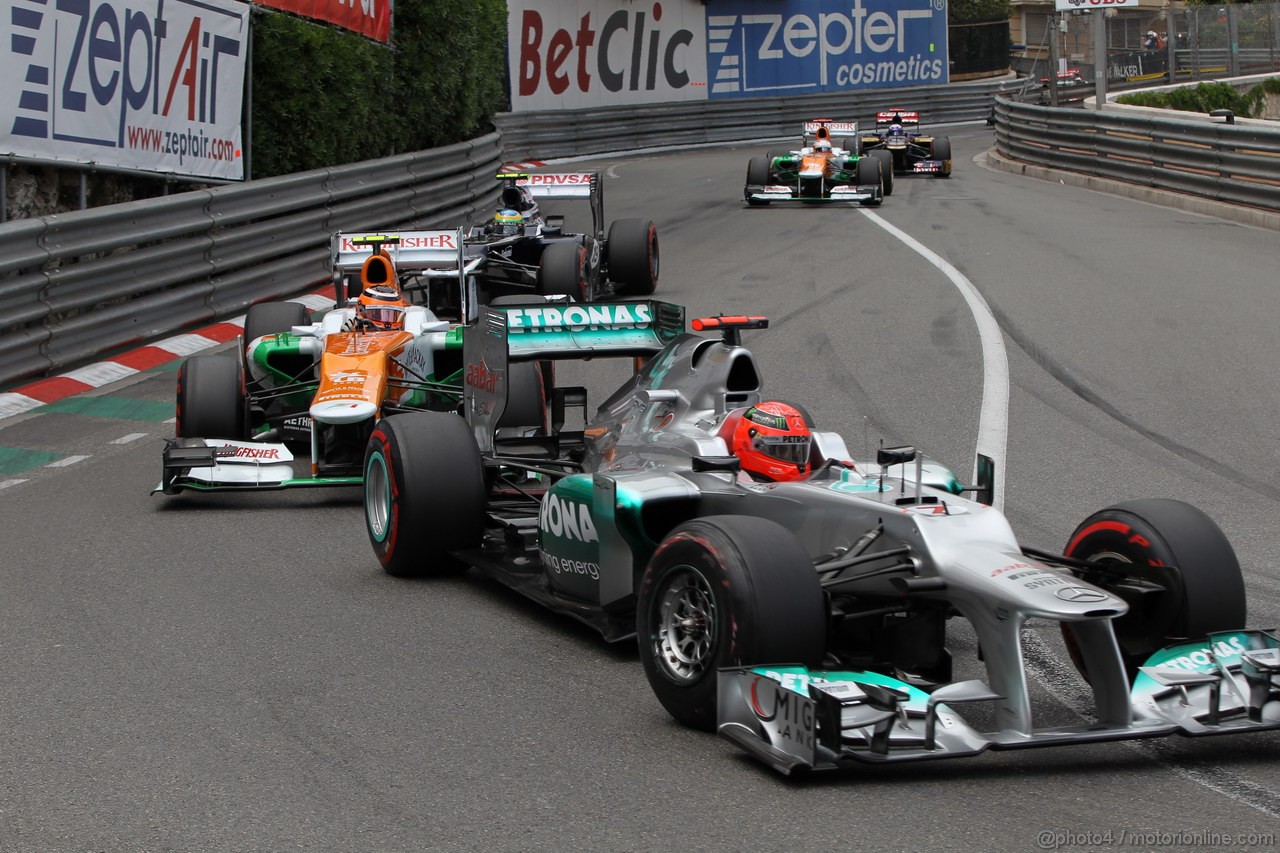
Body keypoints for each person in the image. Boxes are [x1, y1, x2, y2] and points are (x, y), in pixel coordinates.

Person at [726, 401, 813, 482]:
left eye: (798, 450)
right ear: (747, 445)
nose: (795, 457)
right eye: (782, 449)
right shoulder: (732, 484)